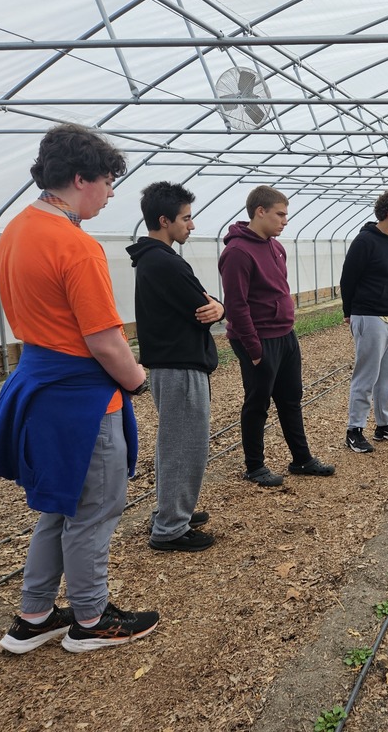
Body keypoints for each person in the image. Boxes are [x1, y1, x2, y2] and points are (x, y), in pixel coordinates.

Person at [0, 123, 159, 653]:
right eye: (108, 182)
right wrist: (137, 380)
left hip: (39, 386)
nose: (111, 193)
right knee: (94, 509)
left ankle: (33, 616)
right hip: (81, 398)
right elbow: (103, 340)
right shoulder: (76, 245)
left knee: (58, 504)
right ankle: (91, 619)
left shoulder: (16, 230)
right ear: (81, 179)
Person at [127, 181, 223, 553]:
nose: (191, 225)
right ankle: (170, 528)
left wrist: (218, 307)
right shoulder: (164, 262)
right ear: (164, 221)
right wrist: (219, 308)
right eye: (186, 218)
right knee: (184, 447)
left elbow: (208, 304)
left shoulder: (152, 259)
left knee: (176, 444)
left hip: (172, 366)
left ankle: (171, 511)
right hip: (180, 367)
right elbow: (203, 306)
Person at [218, 186, 335, 486]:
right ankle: (254, 466)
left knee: (290, 398)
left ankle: (302, 459)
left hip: (285, 335)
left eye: (286, 215)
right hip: (259, 338)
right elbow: (236, 305)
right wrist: (254, 348)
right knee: (258, 402)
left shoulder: (276, 247)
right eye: (280, 214)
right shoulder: (237, 252)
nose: (285, 221)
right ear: (260, 212)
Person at [340, 190, 388, 454]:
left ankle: (385, 425)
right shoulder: (365, 241)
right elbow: (348, 278)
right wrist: (348, 312)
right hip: (369, 317)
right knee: (366, 376)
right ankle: (354, 430)